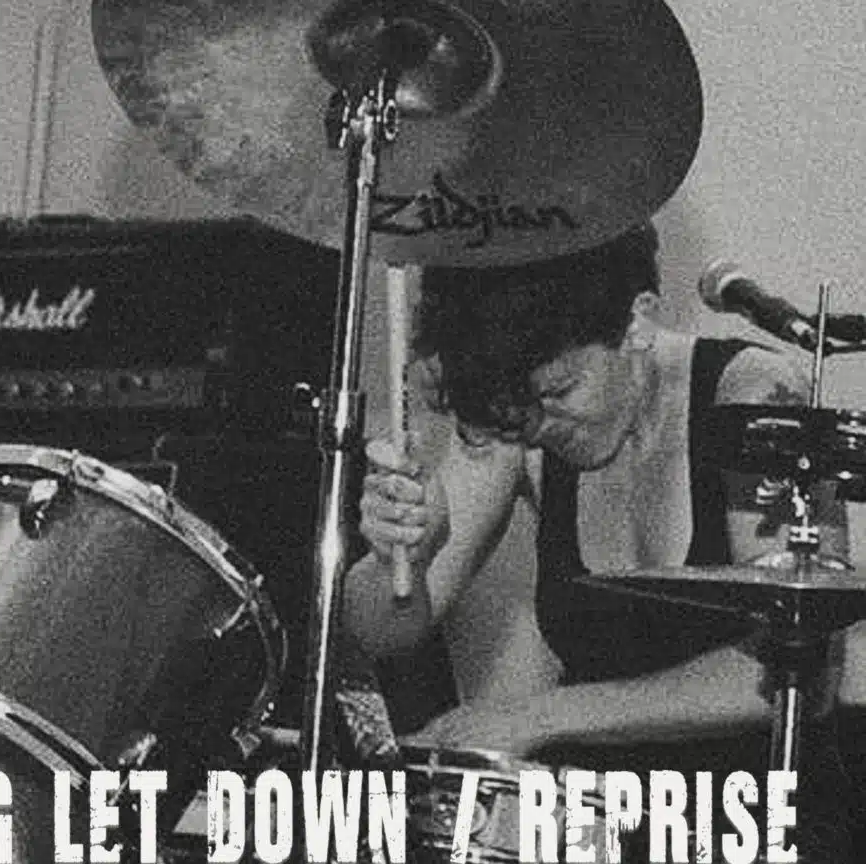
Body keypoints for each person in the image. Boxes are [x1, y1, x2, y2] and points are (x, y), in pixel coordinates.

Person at [343, 224, 858, 758]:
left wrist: (541, 715)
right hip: (602, 801)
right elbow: (377, 634)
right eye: (518, 404)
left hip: (758, 795)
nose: (538, 425)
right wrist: (395, 560)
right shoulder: (524, 413)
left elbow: (807, 671)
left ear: (638, 322)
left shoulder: (755, 391)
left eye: (560, 389)